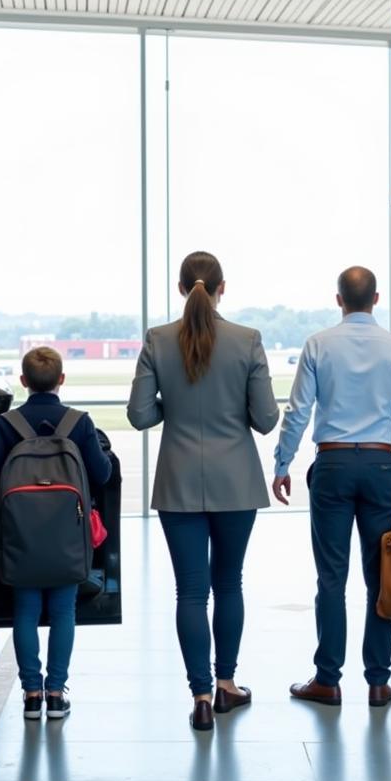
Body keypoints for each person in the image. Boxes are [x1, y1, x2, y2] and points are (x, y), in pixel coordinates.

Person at [127, 251, 279, 732]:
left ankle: (199, 697)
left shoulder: (157, 340)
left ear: (180, 288)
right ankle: (227, 684)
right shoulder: (247, 340)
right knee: (228, 583)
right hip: (236, 482)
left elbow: (139, 415)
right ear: (222, 288)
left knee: (190, 591)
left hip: (177, 483)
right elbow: (267, 418)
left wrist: (172, 406)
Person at [272, 266, 391, 709]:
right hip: (379, 465)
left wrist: (282, 463)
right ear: (376, 299)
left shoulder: (318, 344)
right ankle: (378, 681)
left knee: (331, 579)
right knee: (381, 579)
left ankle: (328, 679)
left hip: (332, 465)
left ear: (339, 300)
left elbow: (298, 411)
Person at [0, 346, 112, 721]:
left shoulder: (8, 424)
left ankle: (31, 694)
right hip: (68, 538)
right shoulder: (79, 424)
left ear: (23, 382)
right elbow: (101, 475)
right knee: (64, 611)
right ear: (61, 380)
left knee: (26, 610)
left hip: (21, 536)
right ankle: (56, 693)